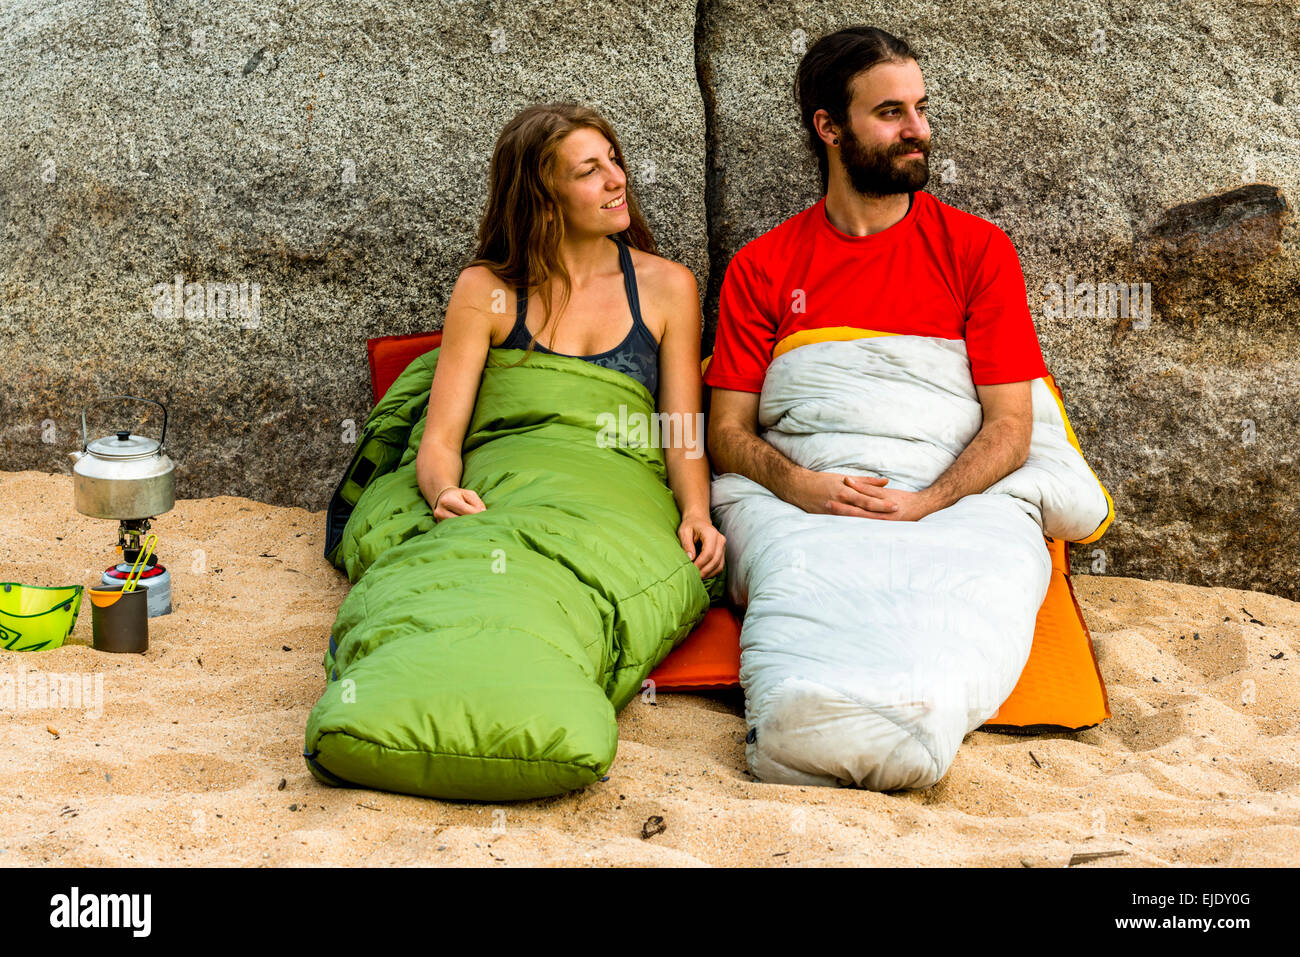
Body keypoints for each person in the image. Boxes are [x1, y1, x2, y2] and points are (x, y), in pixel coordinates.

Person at [706, 26, 1045, 518]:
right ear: (830, 128)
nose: (918, 130)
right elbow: (725, 433)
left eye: (920, 108)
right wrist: (802, 486)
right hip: (809, 502)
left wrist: (926, 503)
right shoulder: (761, 266)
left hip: (943, 503)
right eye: (891, 112)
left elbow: (1011, 426)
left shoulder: (978, 249)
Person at [415, 103, 725, 579]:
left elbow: (679, 431)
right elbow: (440, 439)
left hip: (617, 495)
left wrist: (696, 514)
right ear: (542, 196)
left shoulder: (668, 287)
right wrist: (444, 492)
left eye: (614, 159)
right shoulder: (486, 290)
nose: (617, 179)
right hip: (510, 490)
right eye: (589, 171)